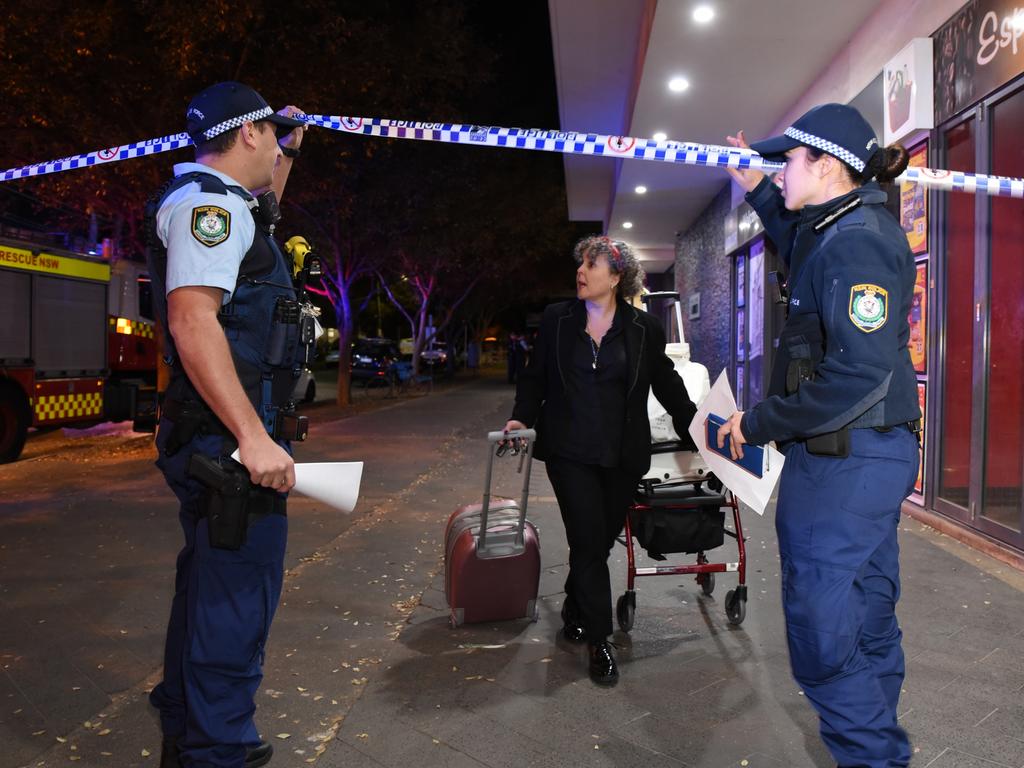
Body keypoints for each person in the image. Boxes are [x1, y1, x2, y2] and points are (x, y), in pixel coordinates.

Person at [717, 104, 921, 768]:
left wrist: (761, 419)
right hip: (852, 456)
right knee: (863, 610)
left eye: (789, 161)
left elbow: (857, 372)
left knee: (824, 629)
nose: (781, 171)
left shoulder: (859, 240)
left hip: (845, 459)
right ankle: (876, 750)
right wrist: (757, 189)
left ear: (826, 165)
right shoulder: (832, 228)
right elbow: (795, 237)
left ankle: (872, 757)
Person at [145, 81, 310, 768]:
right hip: (227, 450)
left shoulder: (231, 209)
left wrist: (293, 146)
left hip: (217, 439)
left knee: (210, 589)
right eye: (270, 135)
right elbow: (193, 319)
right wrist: (252, 436)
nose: (276, 147)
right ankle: (216, 750)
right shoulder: (209, 207)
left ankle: (187, 720)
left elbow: (264, 220)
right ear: (247, 134)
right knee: (235, 605)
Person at [503, 236, 697, 686]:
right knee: (588, 538)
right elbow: (535, 379)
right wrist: (520, 418)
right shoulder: (557, 320)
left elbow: (666, 385)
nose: (581, 270)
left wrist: (703, 430)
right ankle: (599, 640)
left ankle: (575, 604)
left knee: (597, 542)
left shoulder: (644, 329)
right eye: (581, 263)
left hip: (622, 457)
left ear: (616, 276)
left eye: (592, 264)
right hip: (570, 453)